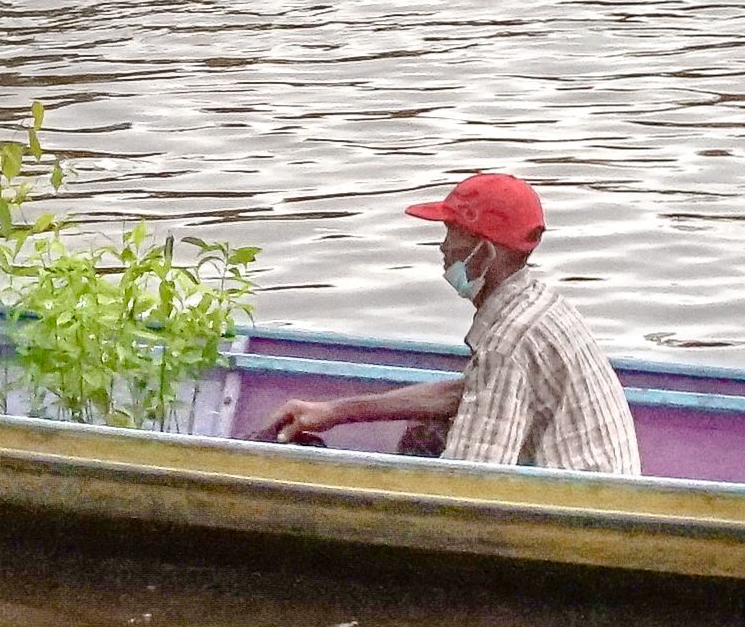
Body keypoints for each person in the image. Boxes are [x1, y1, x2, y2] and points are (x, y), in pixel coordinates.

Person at [266, 171, 645, 475]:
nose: (444, 248)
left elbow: (471, 477)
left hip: (577, 505)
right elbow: (469, 393)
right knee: (426, 433)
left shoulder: (507, 342)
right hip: (603, 479)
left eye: (452, 236)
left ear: (487, 252)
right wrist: (337, 412)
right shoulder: (537, 302)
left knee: (429, 448)